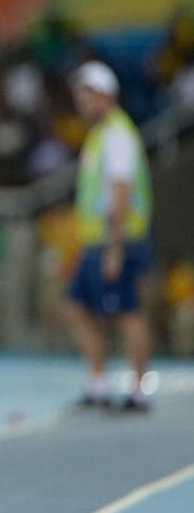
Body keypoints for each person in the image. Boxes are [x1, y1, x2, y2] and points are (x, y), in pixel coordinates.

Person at [66, 60, 154, 411]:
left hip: (118, 240)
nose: (82, 102)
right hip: (96, 240)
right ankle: (100, 384)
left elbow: (121, 190)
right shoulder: (100, 134)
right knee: (78, 306)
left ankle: (139, 390)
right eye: (80, 95)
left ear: (106, 95)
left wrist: (115, 246)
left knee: (127, 312)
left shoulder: (118, 134)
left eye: (89, 94)